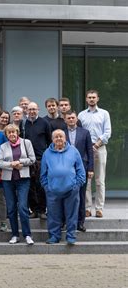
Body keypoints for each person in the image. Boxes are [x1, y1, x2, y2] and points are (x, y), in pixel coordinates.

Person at [41, 129, 86, 245]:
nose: (59, 139)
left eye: (61, 136)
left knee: (71, 215)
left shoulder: (74, 151)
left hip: (71, 190)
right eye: (56, 137)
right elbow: (43, 174)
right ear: (52, 139)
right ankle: (54, 237)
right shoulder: (47, 153)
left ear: (65, 138)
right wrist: (47, 188)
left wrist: (76, 186)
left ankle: (71, 236)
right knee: (53, 215)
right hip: (53, 191)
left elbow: (81, 171)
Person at [0, 124, 36, 245]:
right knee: (11, 208)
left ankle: (27, 235)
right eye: (9, 133)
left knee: (23, 207)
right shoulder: (3, 146)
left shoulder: (26, 143)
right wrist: (11, 164)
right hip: (8, 180)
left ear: (17, 132)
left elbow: (32, 159)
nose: (12, 134)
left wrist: (20, 162)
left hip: (23, 179)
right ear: (6, 135)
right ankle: (15, 235)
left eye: (14, 132)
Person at [78, 89, 111, 218]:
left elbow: (107, 132)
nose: (91, 99)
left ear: (97, 99)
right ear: (86, 99)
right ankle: (87, 208)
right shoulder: (81, 115)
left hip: (100, 148)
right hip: (85, 150)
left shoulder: (104, 114)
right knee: (87, 180)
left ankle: (99, 208)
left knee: (100, 180)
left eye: (94, 97)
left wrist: (97, 144)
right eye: (89, 97)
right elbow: (80, 132)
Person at [21, 102, 52, 218]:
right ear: (26, 111)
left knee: (41, 185)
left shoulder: (44, 123)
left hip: (40, 159)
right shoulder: (24, 124)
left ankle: (42, 210)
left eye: (34, 109)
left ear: (38, 110)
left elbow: (49, 141)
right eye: (30, 109)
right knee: (30, 186)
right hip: (27, 160)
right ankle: (33, 209)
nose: (32, 112)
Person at [64, 111, 94, 232]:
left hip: (82, 167)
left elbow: (90, 151)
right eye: (68, 118)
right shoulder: (62, 133)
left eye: (73, 117)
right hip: (66, 168)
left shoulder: (85, 132)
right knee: (66, 195)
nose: (71, 120)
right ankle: (65, 221)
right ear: (65, 120)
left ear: (76, 119)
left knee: (81, 195)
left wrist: (91, 168)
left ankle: (80, 222)